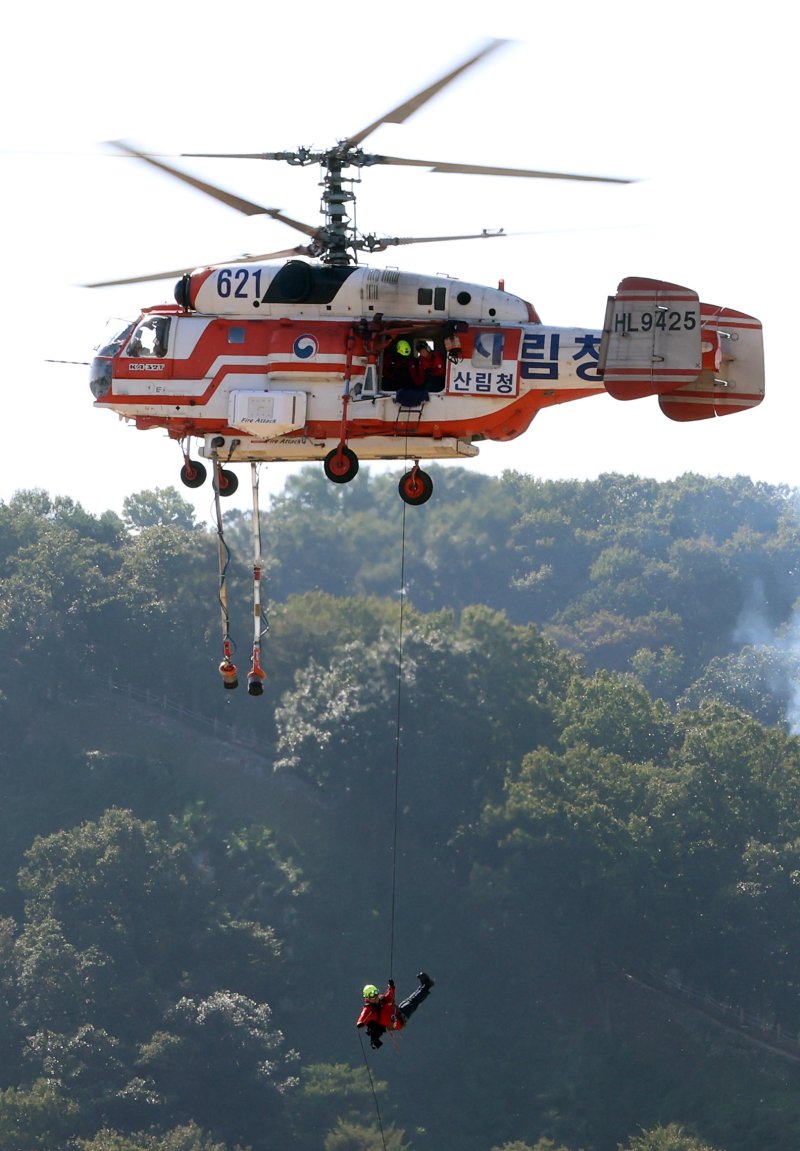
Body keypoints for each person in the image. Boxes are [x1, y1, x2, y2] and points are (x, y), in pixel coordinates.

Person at [356, 972, 435, 1049]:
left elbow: (390, 997)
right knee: (413, 1001)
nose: (376, 997)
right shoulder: (369, 1009)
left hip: (398, 1011)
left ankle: (423, 986)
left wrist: (391, 987)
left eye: (376, 994)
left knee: (410, 999)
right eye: (373, 996)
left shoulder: (380, 999)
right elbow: (363, 1016)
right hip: (399, 1020)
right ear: (367, 998)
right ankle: (427, 986)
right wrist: (360, 1023)